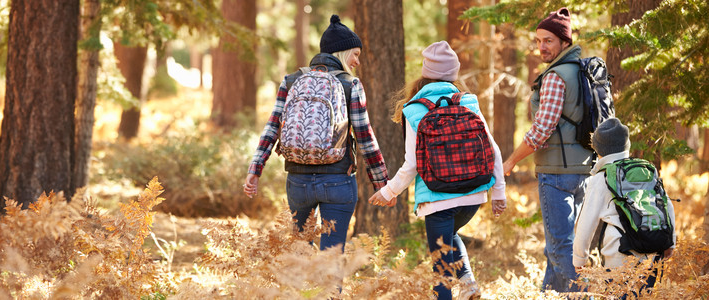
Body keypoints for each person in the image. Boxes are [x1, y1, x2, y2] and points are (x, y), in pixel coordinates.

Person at [368, 40, 507, 300]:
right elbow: (494, 150)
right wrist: (499, 193)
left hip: (437, 199)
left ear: (425, 73)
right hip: (474, 196)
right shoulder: (469, 102)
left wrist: (389, 192)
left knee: (441, 274)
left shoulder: (414, 109)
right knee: (451, 236)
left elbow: (412, 165)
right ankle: (469, 287)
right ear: (454, 74)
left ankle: (461, 289)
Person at [244, 15, 388, 252]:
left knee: (299, 254)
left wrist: (255, 169)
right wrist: (381, 182)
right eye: (355, 54)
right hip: (338, 180)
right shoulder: (350, 85)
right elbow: (364, 136)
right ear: (342, 53)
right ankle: (329, 292)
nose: (357, 62)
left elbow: (272, 127)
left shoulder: (291, 81)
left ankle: (300, 291)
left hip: (297, 182)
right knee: (331, 258)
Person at [502, 7, 593, 292]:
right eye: (538, 40)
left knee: (559, 247)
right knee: (562, 245)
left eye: (549, 40)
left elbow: (542, 129)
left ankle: (583, 296)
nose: (541, 46)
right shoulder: (582, 70)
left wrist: (511, 160)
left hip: (556, 173)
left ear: (564, 42)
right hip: (583, 171)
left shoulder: (556, 76)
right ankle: (548, 295)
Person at [572, 118, 676, 297]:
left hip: (619, 255)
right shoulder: (645, 170)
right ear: (626, 146)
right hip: (652, 252)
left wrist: (579, 259)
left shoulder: (601, 178)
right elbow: (667, 206)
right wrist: (670, 243)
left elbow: (585, 224)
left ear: (598, 149)